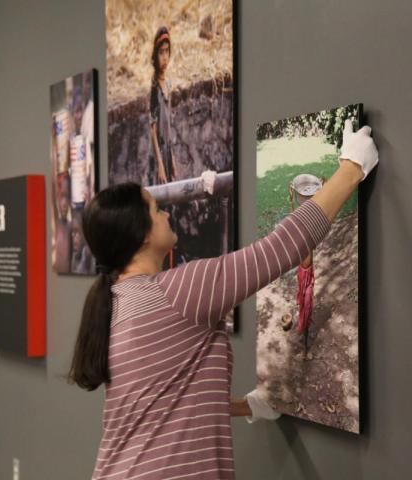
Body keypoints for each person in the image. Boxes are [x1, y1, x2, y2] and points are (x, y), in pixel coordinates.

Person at [67, 119, 378, 479]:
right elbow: (282, 247)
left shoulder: (120, 300)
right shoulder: (177, 292)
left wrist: (239, 406)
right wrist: (351, 169)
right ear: (141, 234)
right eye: (156, 209)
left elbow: (155, 400)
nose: (167, 213)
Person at [148, 26, 180, 270]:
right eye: (161, 53)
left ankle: (172, 263)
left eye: (168, 52)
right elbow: (153, 130)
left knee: (174, 208)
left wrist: (173, 161)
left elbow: (171, 125)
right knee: (160, 210)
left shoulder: (169, 83)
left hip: (169, 154)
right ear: (154, 55)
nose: (165, 58)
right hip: (158, 157)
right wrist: (160, 163)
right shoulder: (153, 89)